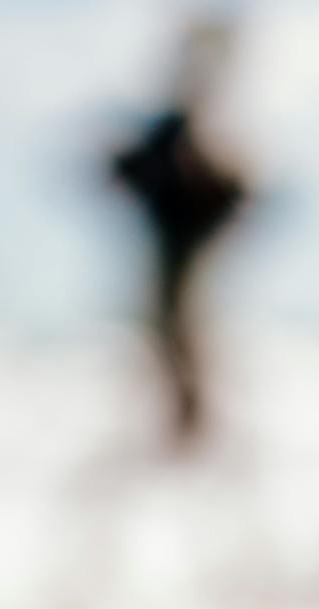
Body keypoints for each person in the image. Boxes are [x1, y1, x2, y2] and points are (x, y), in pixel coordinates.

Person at [109, 19, 249, 454]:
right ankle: (181, 426)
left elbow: (234, 193)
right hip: (170, 253)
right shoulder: (168, 133)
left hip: (187, 255)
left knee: (184, 335)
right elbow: (128, 171)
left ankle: (191, 427)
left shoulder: (203, 139)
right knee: (167, 333)